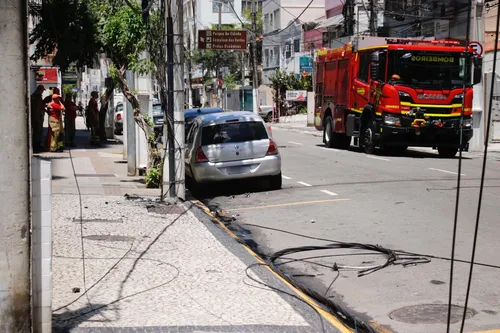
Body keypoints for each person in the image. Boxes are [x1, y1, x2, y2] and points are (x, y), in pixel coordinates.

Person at [31, 85, 45, 152]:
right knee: (37, 132)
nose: (42, 92)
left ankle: (37, 145)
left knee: (37, 132)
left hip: (36, 117)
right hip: (37, 117)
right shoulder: (37, 97)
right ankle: (36, 147)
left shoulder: (34, 96)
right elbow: (37, 108)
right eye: (42, 90)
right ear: (40, 90)